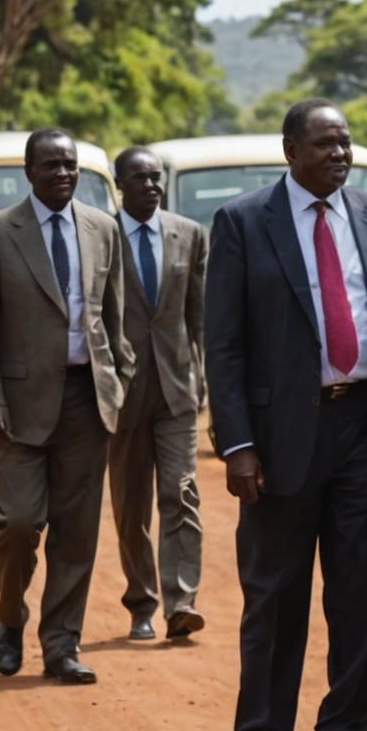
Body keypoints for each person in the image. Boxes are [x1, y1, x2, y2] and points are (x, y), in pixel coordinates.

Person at [204, 99, 367, 731]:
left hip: (362, 430)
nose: (339, 154)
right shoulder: (241, 223)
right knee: (275, 599)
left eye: (346, 143)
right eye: (325, 143)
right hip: (279, 437)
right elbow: (224, 344)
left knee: (362, 597)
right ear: (290, 149)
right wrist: (236, 444)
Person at [0, 128, 133, 684]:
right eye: (52, 165)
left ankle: (61, 646)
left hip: (87, 401)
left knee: (77, 532)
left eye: (70, 165)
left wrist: (118, 382)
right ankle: (11, 615)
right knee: (20, 523)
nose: (63, 173)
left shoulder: (103, 229)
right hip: (18, 406)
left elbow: (113, 318)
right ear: (29, 172)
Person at [107, 147, 208, 641]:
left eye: (157, 177)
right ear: (118, 185)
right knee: (131, 505)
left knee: (181, 492)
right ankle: (140, 603)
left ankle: (181, 603)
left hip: (176, 391)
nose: (151, 185)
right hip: (121, 393)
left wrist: (206, 378)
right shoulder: (100, 238)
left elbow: (200, 317)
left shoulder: (189, 235)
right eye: (139, 178)